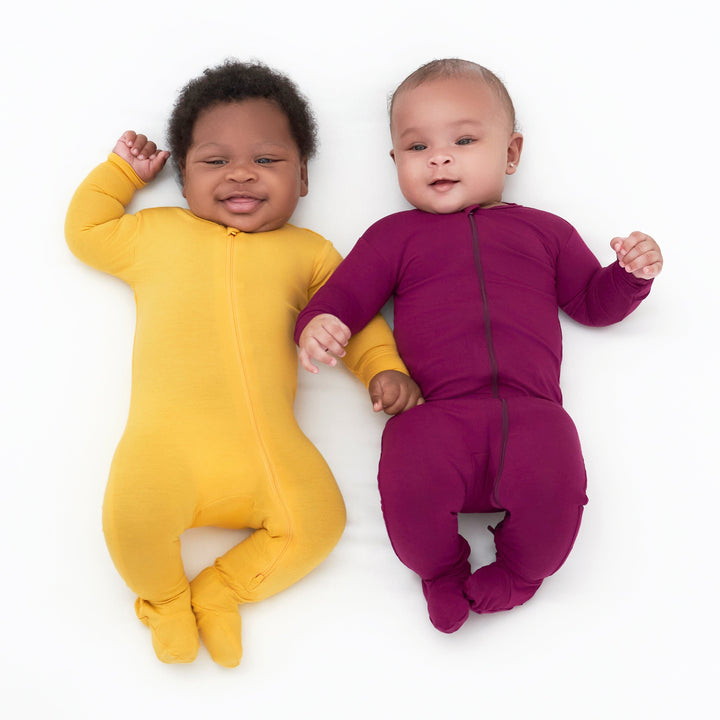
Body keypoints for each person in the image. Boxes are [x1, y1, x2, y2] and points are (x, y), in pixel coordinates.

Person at [65, 60, 421, 666]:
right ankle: (166, 600)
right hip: (164, 453)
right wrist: (121, 174)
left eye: (266, 159)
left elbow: (353, 317)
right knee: (131, 520)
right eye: (214, 161)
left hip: (267, 453)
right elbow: (87, 230)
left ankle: (221, 590)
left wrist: (382, 368)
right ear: (182, 178)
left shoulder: (310, 254)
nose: (240, 174)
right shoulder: (156, 234)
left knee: (319, 523)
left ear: (302, 177)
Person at [295, 59, 662, 634]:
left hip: (532, 412)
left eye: (463, 141)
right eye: (417, 146)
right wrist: (319, 324)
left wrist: (629, 276)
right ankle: (441, 572)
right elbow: (342, 299)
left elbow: (592, 304)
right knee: (407, 473)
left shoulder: (546, 231)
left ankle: (521, 574)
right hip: (436, 414)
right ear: (395, 160)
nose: (439, 158)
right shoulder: (393, 236)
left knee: (557, 480)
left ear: (511, 153)